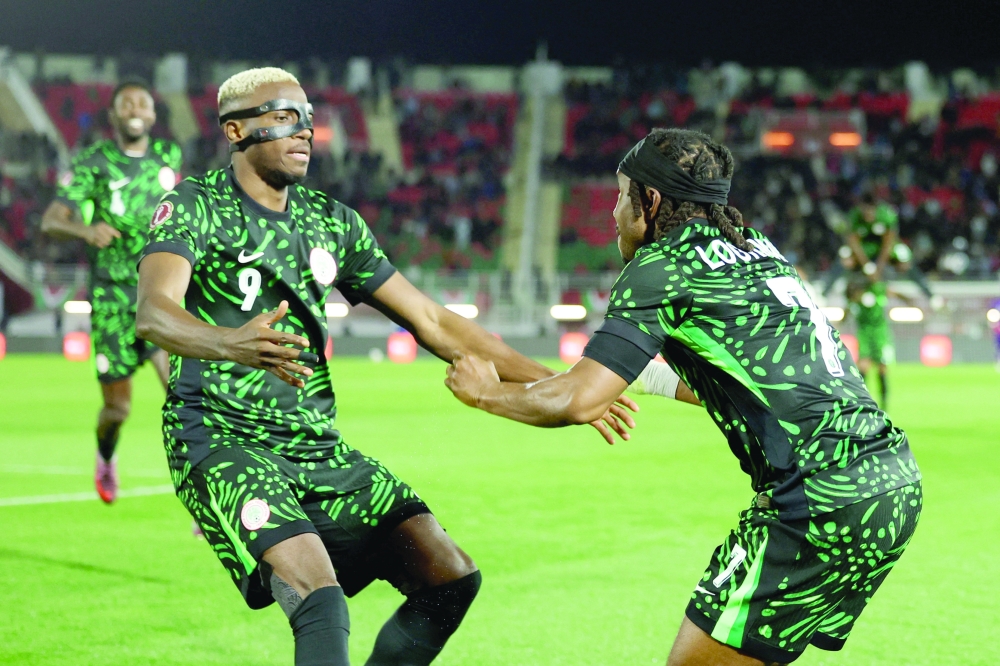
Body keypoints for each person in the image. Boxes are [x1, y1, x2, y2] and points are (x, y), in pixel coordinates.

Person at [135, 67, 634, 666]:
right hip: (221, 436)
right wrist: (229, 342)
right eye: (285, 116)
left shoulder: (332, 222)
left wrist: (556, 383)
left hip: (316, 444)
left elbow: (434, 321)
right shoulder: (195, 205)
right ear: (235, 128)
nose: (305, 131)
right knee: (319, 600)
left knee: (450, 579)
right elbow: (154, 313)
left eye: (310, 119)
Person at [445, 128, 922, 665]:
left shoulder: (661, 268)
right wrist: (641, 378)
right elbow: (757, 381)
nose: (614, 212)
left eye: (621, 195)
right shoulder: (757, 249)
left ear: (649, 200)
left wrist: (486, 394)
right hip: (892, 483)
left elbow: (578, 400)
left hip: (818, 500)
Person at [41, 79, 182, 503]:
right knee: (118, 410)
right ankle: (106, 457)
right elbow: (51, 219)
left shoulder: (168, 158)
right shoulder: (93, 163)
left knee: (183, 396)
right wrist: (85, 228)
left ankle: (201, 493)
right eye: (127, 104)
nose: (136, 108)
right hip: (111, 301)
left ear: (154, 114)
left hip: (158, 292)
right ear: (114, 116)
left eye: (144, 102)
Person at [824, 193, 933, 301]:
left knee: (905, 260)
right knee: (844, 258)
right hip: (864, 247)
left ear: (876, 209)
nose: (867, 215)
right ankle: (824, 293)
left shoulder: (887, 214)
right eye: (864, 211)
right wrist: (866, 265)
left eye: (870, 211)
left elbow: (888, 243)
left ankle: (930, 295)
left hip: (883, 247)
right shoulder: (854, 215)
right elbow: (854, 243)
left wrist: (879, 268)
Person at [845, 277, 902, 409]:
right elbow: (845, 314)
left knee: (882, 368)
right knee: (863, 367)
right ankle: (862, 402)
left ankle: (884, 404)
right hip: (865, 336)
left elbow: (888, 289)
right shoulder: (854, 303)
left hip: (880, 335)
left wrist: (909, 300)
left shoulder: (872, 295)